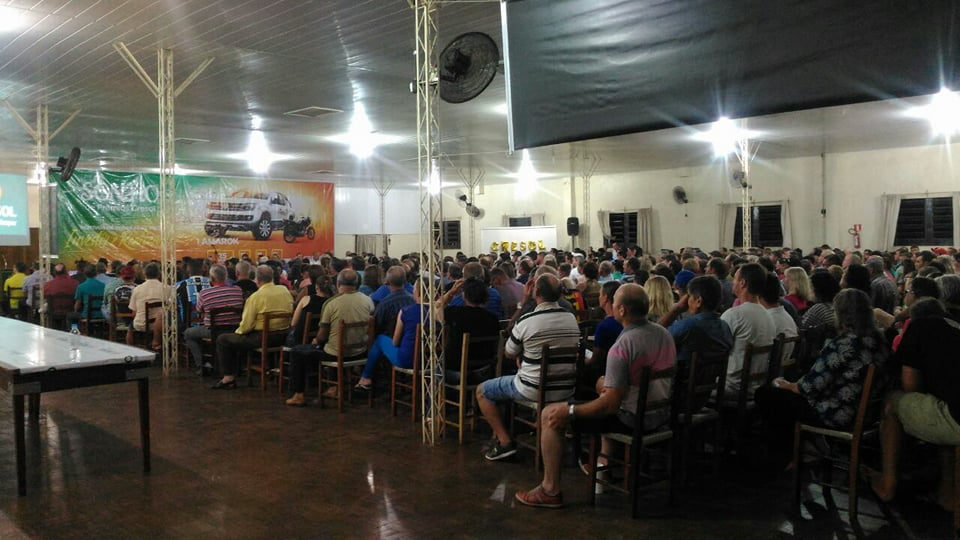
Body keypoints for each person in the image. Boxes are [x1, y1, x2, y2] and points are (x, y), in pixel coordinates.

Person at [514, 283, 676, 508]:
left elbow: (610, 406)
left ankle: (550, 489)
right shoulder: (664, 333)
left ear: (621, 310)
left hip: (631, 419)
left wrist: (569, 410)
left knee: (550, 415)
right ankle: (602, 467)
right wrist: (606, 385)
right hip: (661, 414)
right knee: (598, 392)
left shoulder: (623, 346)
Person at [756, 288, 888, 460]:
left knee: (766, 394)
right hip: (868, 414)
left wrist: (786, 385)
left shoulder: (844, 345)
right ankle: (809, 446)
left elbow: (809, 387)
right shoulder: (879, 341)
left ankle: (787, 455)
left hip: (835, 413)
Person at [476, 274, 580, 461]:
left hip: (532, 388)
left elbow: (509, 352)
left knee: (482, 391)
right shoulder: (570, 318)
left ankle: (505, 442)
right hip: (566, 389)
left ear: (536, 291)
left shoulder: (528, 320)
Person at [871, 297, 960, 512]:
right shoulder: (955, 326)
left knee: (892, 402)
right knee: (937, 408)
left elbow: (910, 386)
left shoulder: (919, 327)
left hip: (956, 417)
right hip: (953, 411)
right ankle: (946, 493)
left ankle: (887, 484)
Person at [285, 269, 373, 405]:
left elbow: (322, 335)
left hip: (336, 354)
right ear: (357, 283)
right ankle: (333, 386)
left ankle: (299, 395)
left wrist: (315, 340)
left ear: (338, 283)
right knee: (330, 343)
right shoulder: (367, 300)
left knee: (297, 352)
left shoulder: (332, 303)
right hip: (360, 352)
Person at [212, 265, 292, 389]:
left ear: (257, 279)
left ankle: (228, 377)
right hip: (284, 336)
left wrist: (237, 333)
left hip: (262, 338)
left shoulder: (255, 297)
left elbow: (246, 326)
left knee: (223, 339)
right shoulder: (284, 290)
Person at [356, 281, 428, 390]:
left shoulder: (406, 311)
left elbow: (395, 342)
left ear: (417, 292)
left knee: (380, 339)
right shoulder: (438, 313)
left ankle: (366, 377)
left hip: (407, 360)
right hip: (429, 361)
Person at [720, 263, 776, 399]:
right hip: (758, 386)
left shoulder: (734, 314)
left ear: (743, 283)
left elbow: (715, 350)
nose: (732, 282)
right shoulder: (768, 315)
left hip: (731, 386)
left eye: (735, 278)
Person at [659, 275, 733, 365]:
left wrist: (676, 309)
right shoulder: (725, 327)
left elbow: (656, 337)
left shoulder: (688, 326)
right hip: (716, 374)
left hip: (682, 373)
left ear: (698, 301)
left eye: (689, 296)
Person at [438, 278, 501, 384]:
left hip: (456, 370)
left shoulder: (454, 313)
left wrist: (451, 293)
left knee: (434, 370)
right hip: (484, 370)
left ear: (464, 295)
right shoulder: (493, 318)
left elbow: (436, 308)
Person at [182, 264, 244, 371]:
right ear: (226, 276)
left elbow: (199, 310)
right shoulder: (237, 290)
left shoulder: (205, 293)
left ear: (212, 278)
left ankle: (201, 365)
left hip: (213, 331)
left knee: (188, 333)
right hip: (235, 329)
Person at [127, 262, 174, 348]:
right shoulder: (168, 288)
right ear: (159, 274)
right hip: (162, 325)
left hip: (141, 324)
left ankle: (131, 349)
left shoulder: (137, 289)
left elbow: (134, 313)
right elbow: (171, 308)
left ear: (144, 274)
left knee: (130, 325)